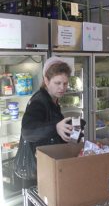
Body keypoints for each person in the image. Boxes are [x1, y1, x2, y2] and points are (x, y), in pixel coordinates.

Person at [15, 56, 75, 189]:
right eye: (57, 83)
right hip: (36, 173)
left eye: (65, 83)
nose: (62, 88)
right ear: (46, 81)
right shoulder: (39, 101)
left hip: (45, 168)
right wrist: (56, 127)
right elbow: (27, 131)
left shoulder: (53, 100)